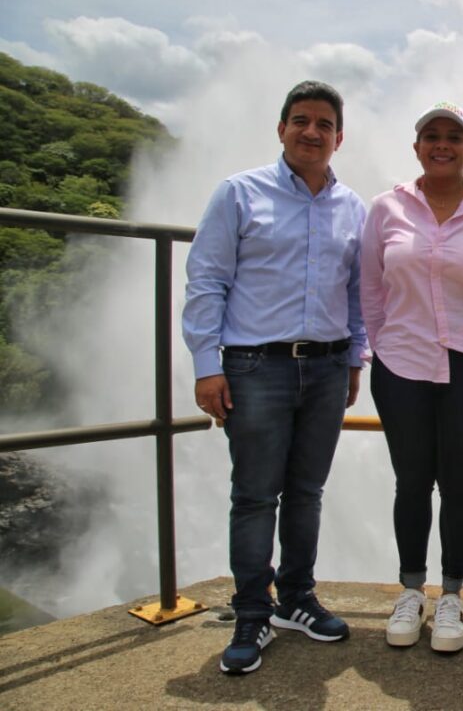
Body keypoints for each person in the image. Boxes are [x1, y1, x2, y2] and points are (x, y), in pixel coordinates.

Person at [183, 80, 367, 674]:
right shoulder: (240, 193)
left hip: (327, 364)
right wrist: (206, 366)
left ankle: (295, 599)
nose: (311, 132)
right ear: (281, 128)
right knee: (256, 495)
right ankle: (250, 614)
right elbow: (207, 280)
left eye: (323, 124)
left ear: (339, 137)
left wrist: (355, 358)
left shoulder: (353, 208)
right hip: (254, 364)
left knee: (307, 492)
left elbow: (358, 293)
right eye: (300, 121)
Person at [360, 101, 463, 653]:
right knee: (411, 481)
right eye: (432, 135)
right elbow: (371, 290)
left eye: (454, 136)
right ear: (417, 145)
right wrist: (385, 345)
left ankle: (450, 596)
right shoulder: (386, 209)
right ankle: (410, 590)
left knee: (459, 483)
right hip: (400, 363)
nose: (442, 144)